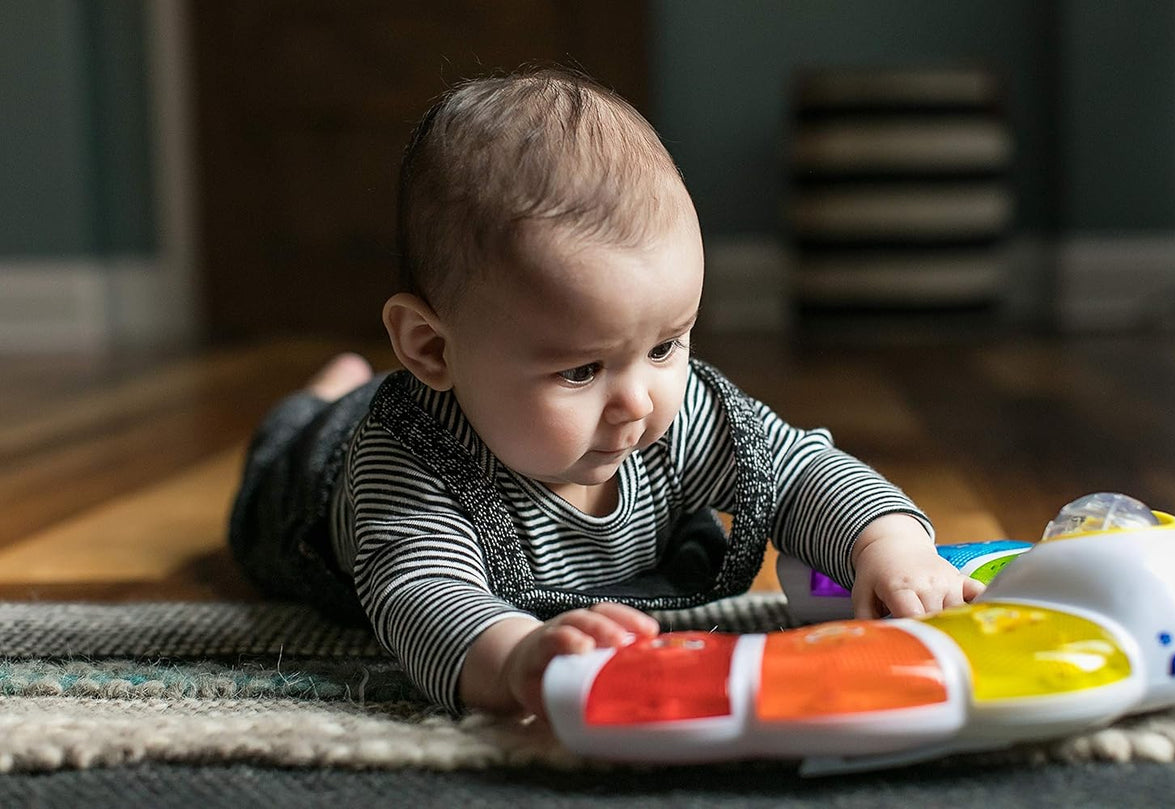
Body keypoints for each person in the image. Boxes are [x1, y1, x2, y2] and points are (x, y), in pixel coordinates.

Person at [229, 66, 983, 721]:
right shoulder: (406, 468)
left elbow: (798, 471)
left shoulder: (671, 414)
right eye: (581, 371)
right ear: (431, 347)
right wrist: (517, 659)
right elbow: (424, 600)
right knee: (288, 444)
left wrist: (888, 543)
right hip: (310, 482)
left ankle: (347, 385)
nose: (638, 402)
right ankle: (323, 396)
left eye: (664, 347)